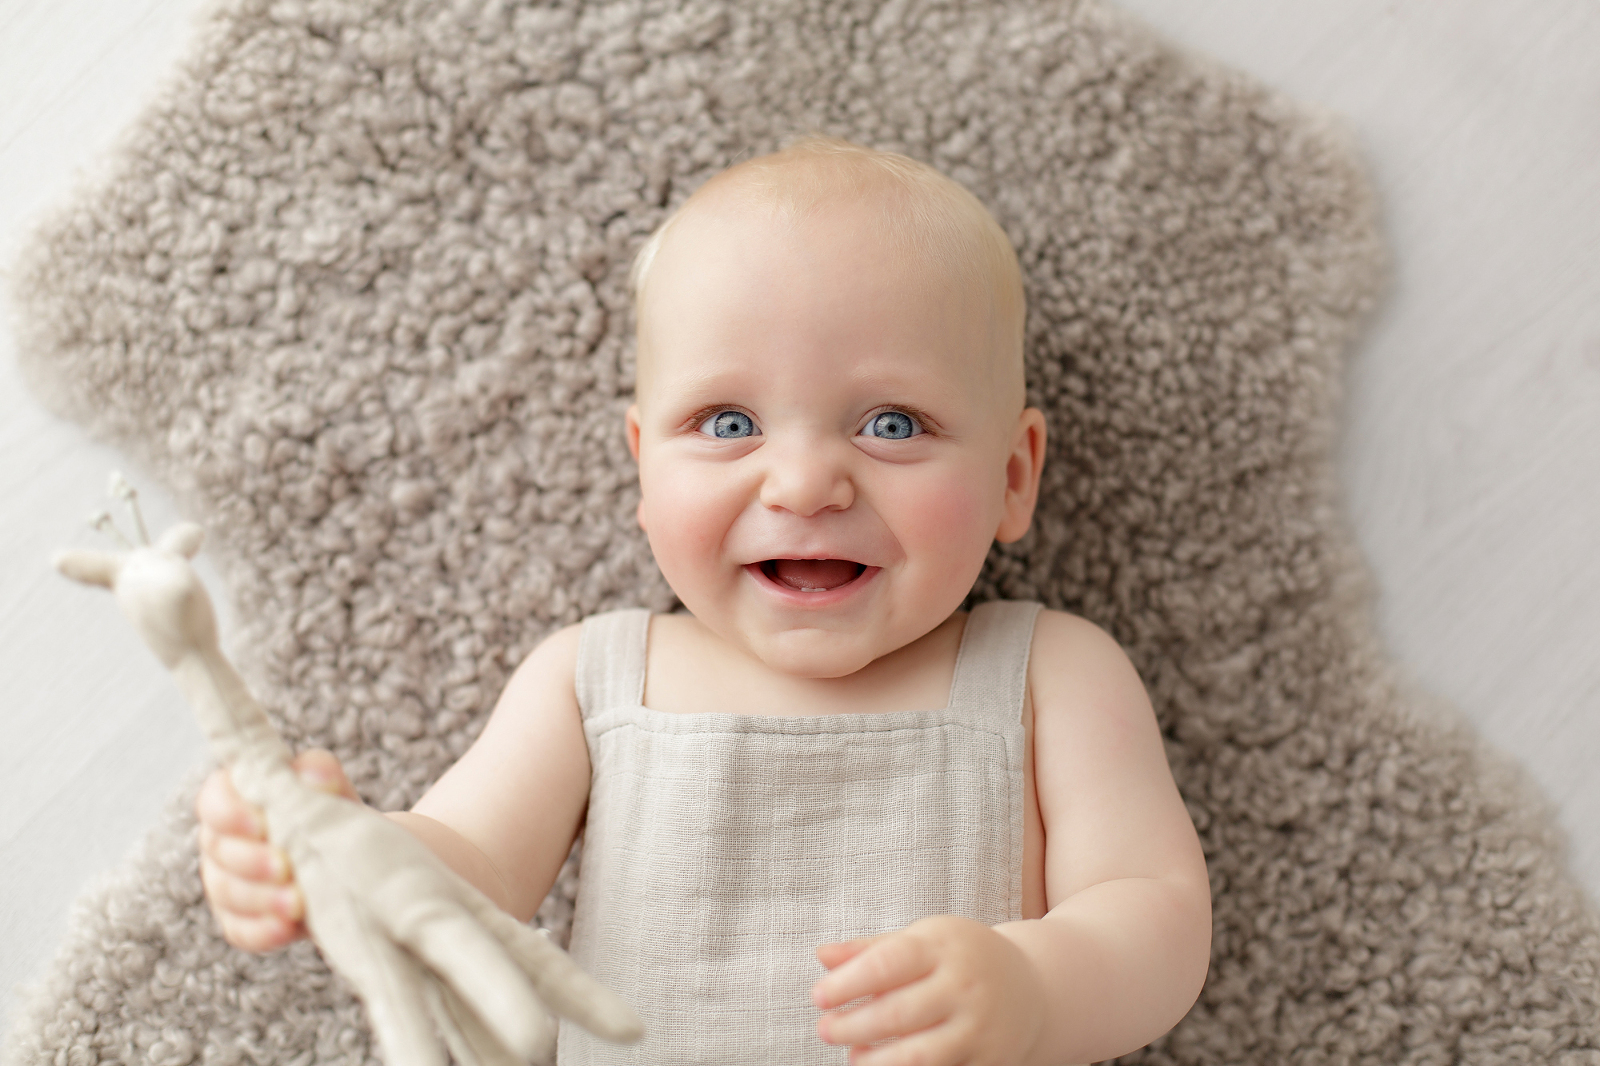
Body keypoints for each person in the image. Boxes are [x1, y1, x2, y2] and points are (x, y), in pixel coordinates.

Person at [196, 135, 1212, 1066]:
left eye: (893, 424)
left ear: (1012, 476)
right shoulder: (592, 681)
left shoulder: (1047, 674)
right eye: (728, 421)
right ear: (644, 469)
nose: (806, 484)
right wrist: (338, 853)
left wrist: (1034, 988)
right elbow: (467, 870)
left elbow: (1154, 915)